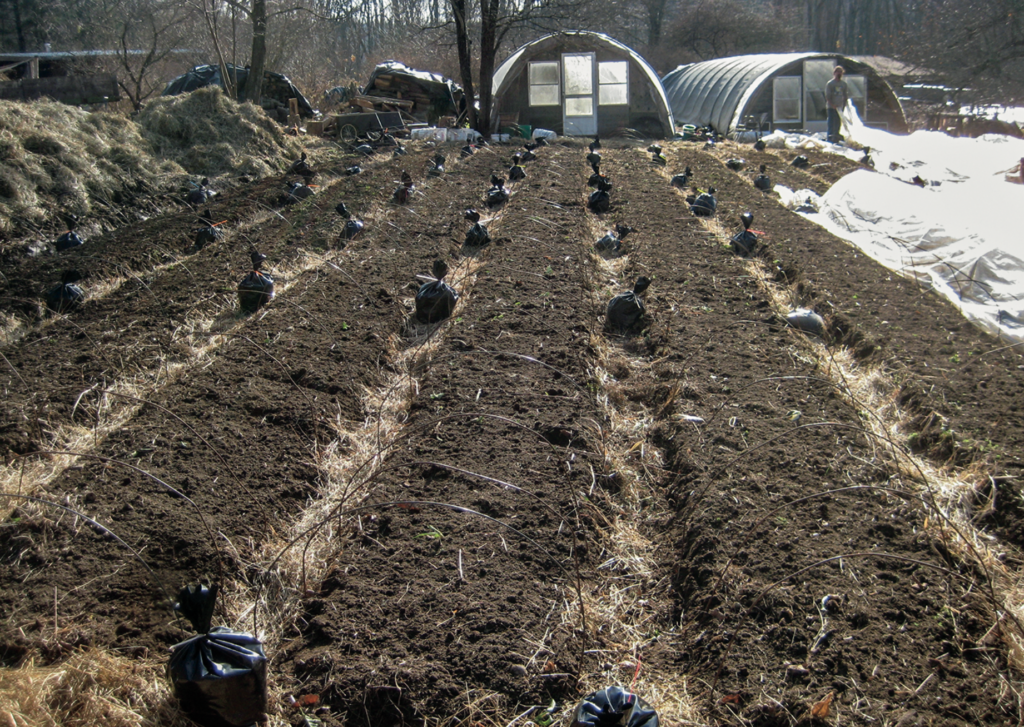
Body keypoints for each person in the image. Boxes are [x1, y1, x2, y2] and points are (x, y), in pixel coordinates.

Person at [825, 66, 850, 144]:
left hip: (840, 107)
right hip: (831, 107)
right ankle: (830, 137)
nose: (839, 74)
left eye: (840, 72)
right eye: (837, 72)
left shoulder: (843, 84)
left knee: (838, 122)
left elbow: (845, 95)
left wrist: (844, 105)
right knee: (831, 122)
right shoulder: (830, 84)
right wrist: (832, 105)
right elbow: (827, 97)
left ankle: (836, 136)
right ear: (834, 73)